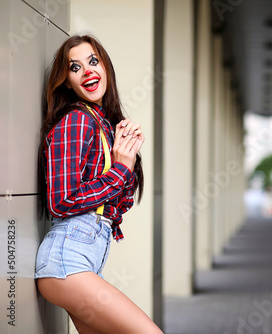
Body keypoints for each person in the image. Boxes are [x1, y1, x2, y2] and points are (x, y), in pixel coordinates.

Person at [34, 34, 162, 333]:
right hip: (67, 262)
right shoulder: (76, 120)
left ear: (105, 67)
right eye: (75, 67)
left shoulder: (101, 122)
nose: (88, 70)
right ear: (67, 81)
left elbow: (116, 204)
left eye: (93, 61)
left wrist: (126, 155)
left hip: (84, 260)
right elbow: (61, 200)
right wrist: (120, 169)